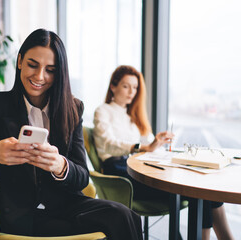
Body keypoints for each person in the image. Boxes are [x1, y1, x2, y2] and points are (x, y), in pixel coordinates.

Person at [0, 29, 142, 240]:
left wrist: (60, 166)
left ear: (60, 72)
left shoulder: (73, 109)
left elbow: (82, 176)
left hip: (66, 205)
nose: (39, 76)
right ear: (19, 62)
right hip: (19, 214)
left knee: (126, 216)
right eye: (32, 65)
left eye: (50, 70)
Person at [93, 65, 234, 240]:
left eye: (135, 87)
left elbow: (149, 143)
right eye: (126, 86)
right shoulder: (103, 111)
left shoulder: (133, 116)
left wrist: (158, 142)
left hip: (137, 166)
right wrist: (143, 147)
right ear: (113, 86)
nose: (131, 92)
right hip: (121, 173)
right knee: (198, 192)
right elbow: (108, 143)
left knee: (204, 190)